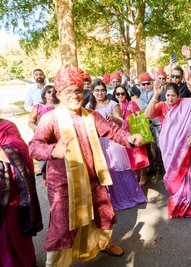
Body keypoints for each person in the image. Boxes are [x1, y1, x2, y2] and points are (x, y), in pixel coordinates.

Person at [29, 66, 143, 266]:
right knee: (62, 227)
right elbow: (34, 146)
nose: (75, 95)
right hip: (63, 185)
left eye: (78, 91)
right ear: (59, 95)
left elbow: (112, 131)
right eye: (68, 92)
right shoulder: (50, 118)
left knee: (104, 213)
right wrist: (53, 151)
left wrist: (129, 138)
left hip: (93, 177)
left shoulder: (91, 115)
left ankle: (102, 244)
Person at [144, 82, 191, 218]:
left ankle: (190, 207)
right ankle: (177, 206)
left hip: (185, 146)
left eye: (173, 95)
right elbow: (147, 115)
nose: (170, 98)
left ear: (179, 95)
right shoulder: (161, 105)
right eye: (168, 95)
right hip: (168, 148)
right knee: (174, 177)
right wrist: (156, 95)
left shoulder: (186, 103)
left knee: (189, 174)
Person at [87, 79, 146, 210]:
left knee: (119, 168)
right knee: (107, 169)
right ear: (92, 92)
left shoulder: (112, 104)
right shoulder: (89, 108)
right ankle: (111, 200)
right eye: (97, 90)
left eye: (102, 90)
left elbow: (123, 123)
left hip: (114, 140)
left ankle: (131, 197)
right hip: (98, 143)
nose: (100, 93)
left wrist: (114, 119)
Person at [0, 119, 43, 267]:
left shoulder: (7, 127)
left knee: (15, 233)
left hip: (12, 193)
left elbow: (20, 151)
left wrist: (2, 152)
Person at [113, 85, 149, 186]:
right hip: (124, 135)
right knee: (130, 156)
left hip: (134, 132)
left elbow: (141, 117)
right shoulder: (115, 106)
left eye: (122, 93)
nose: (120, 95)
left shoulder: (131, 103)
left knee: (139, 154)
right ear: (115, 95)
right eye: (118, 94)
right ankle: (136, 174)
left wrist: (134, 111)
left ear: (126, 94)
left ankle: (143, 175)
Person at [28, 85, 59, 180]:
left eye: (53, 91)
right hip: (43, 137)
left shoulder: (57, 106)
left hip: (55, 138)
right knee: (44, 163)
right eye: (48, 92)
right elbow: (30, 122)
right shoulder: (38, 107)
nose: (51, 93)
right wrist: (40, 129)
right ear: (44, 94)